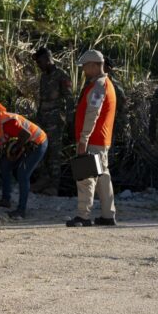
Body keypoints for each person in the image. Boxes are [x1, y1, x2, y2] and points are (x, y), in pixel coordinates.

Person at [0, 99, 48, 219]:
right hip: (25, 144)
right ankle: (6, 200)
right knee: (5, 165)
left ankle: (21, 210)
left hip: (37, 143)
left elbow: (25, 134)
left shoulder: (8, 122)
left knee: (23, 174)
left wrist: (16, 149)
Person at [67, 50, 117, 227]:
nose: (83, 71)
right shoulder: (105, 83)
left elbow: (92, 114)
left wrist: (83, 140)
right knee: (103, 177)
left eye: (85, 67)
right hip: (101, 139)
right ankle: (107, 215)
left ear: (95, 65)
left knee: (86, 177)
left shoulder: (98, 86)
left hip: (93, 139)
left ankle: (83, 216)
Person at [31, 47, 73, 196]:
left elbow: (69, 99)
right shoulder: (43, 77)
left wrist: (70, 120)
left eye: (40, 61)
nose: (38, 65)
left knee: (54, 153)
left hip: (56, 120)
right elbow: (42, 100)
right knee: (41, 149)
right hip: (43, 118)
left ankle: (54, 186)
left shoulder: (62, 75)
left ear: (48, 60)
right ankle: (43, 179)